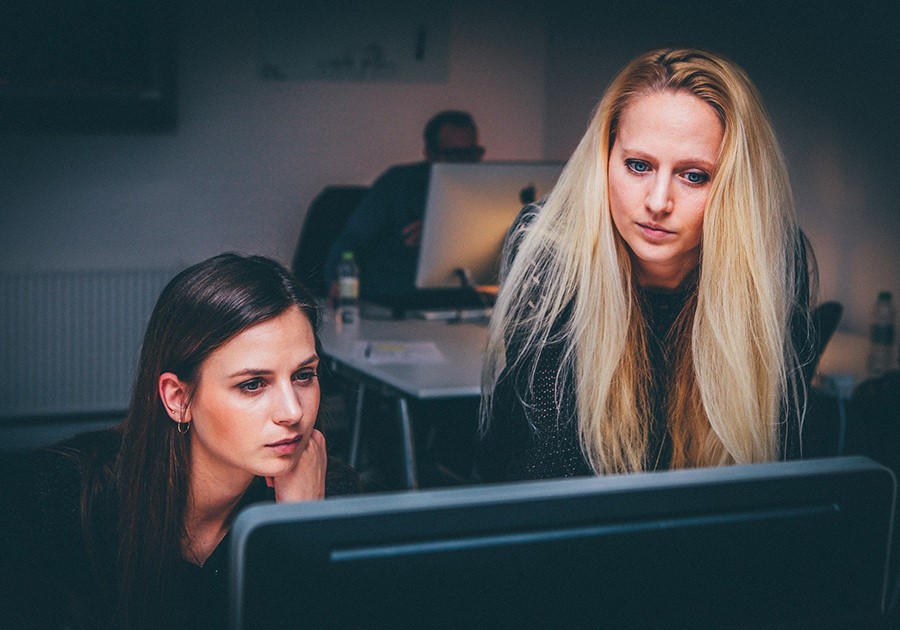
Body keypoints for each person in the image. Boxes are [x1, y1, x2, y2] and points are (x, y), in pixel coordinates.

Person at [477, 48, 817, 482]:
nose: (658, 202)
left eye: (694, 176)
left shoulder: (774, 260)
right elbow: (553, 464)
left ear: (736, 186)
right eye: (638, 165)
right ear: (604, 159)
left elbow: (771, 464)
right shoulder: (550, 246)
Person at [0, 253, 360, 629]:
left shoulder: (322, 498)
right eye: (252, 384)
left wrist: (299, 529)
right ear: (178, 399)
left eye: (304, 375)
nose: (292, 412)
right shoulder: (53, 500)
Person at [323, 110, 485, 302]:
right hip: (396, 298)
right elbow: (352, 239)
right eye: (453, 155)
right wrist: (338, 281)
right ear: (429, 154)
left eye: (471, 154)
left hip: (463, 299)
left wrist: (446, 233)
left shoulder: (484, 193)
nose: (464, 164)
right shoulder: (398, 184)